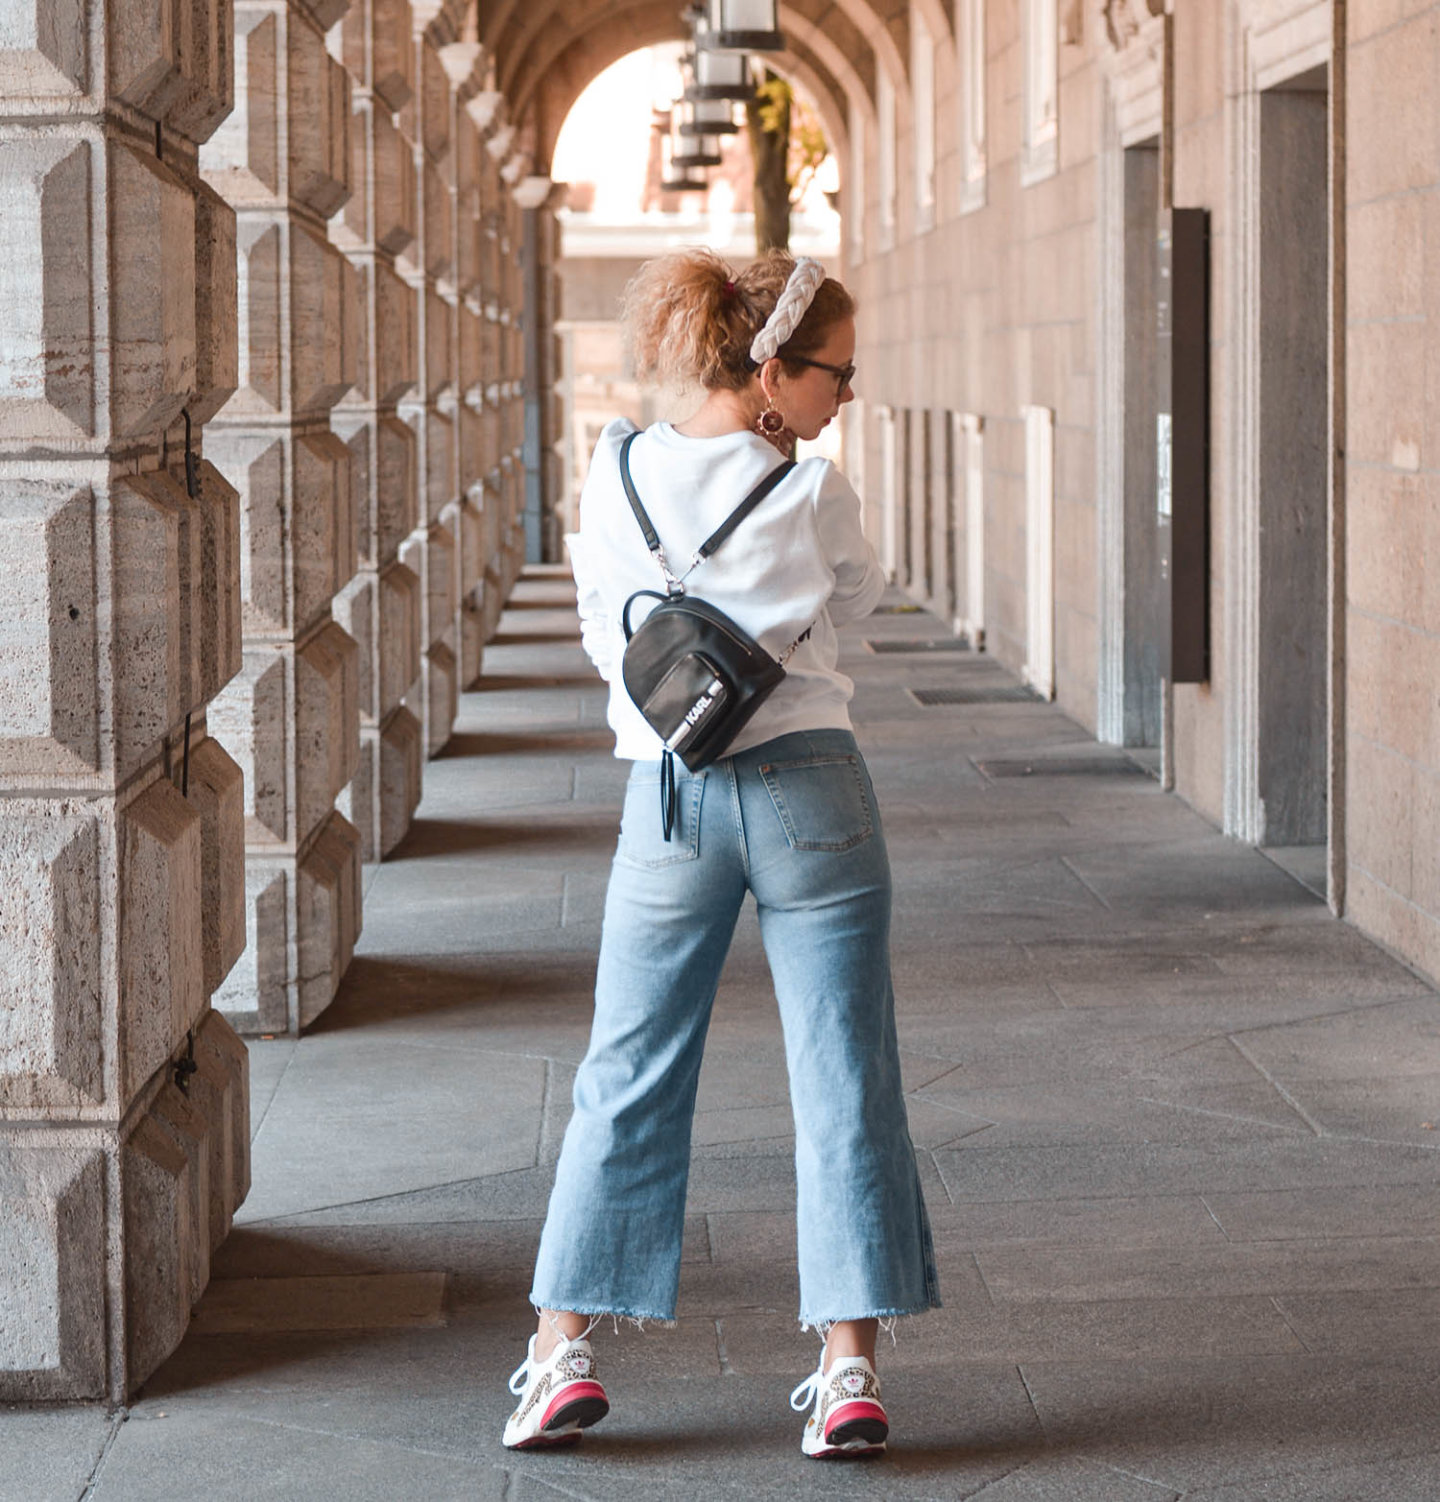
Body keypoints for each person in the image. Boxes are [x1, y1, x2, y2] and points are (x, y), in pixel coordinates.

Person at [501, 248, 939, 1459]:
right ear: (771, 373)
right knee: (844, 1069)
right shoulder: (813, 493)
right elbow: (850, 612)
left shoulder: (618, 470)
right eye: (835, 374)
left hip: (670, 797)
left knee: (626, 1069)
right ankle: (848, 1370)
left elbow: (607, 633)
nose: (844, 396)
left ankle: (558, 1355)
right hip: (812, 791)